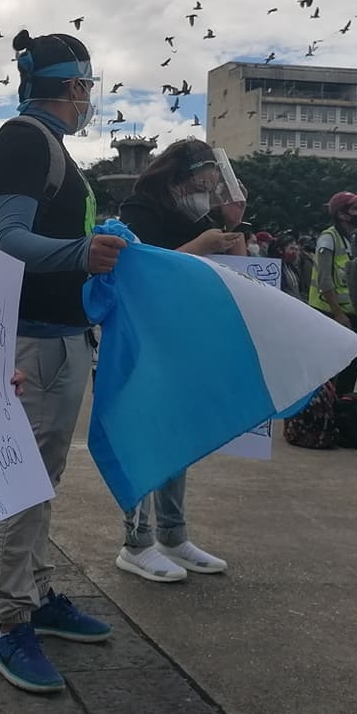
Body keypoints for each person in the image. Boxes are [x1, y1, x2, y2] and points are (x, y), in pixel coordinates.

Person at [0, 28, 123, 694]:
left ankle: (37, 596)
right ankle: (9, 625)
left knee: (42, 481)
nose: (90, 97)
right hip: (30, 340)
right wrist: (82, 254)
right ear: (74, 86)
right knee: (22, 484)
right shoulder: (25, 141)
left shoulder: (49, 144)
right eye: (89, 86)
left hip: (60, 338)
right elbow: (7, 238)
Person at [112, 139, 238, 583]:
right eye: (202, 181)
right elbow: (139, 271)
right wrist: (201, 244)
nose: (207, 190)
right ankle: (137, 541)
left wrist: (229, 232)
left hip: (180, 337)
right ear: (179, 178)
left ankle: (173, 532)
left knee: (176, 437)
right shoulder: (140, 210)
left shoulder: (196, 218)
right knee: (144, 436)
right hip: (141, 338)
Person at [310, 191, 357, 394]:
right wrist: (338, 313)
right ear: (342, 215)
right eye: (356, 208)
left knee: (350, 368)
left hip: (352, 314)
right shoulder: (329, 238)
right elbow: (324, 280)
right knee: (332, 369)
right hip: (330, 313)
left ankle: (343, 413)